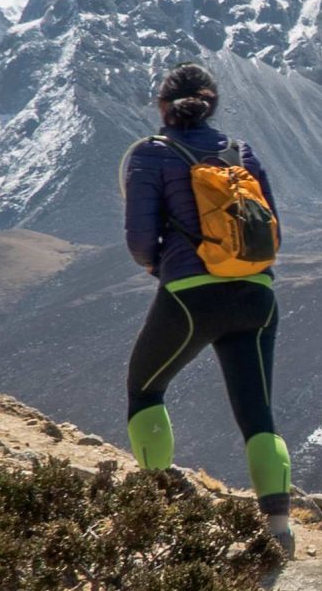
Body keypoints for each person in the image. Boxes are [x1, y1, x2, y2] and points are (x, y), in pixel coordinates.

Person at [121, 62, 294, 550]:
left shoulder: (150, 155)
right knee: (258, 413)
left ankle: (154, 508)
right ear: (212, 105)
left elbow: (139, 239)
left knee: (146, 389)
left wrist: (162, 266)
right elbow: (273, 225)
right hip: (257, 294)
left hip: (192, 295)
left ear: (163, 106)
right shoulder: (242, 152)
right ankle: (279, 529)